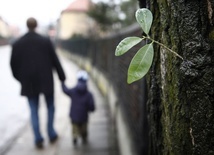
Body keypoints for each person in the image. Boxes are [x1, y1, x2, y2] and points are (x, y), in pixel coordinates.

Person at [10, 17, 66, 148]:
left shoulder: (18, 43)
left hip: (28, 82)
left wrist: (20, 78)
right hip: (46, 80)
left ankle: (38, 138)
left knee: (33, 110)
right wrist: (62, 77)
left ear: (27, 25)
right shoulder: (45, 41)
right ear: (36, 26)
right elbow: (55, 60)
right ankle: (51, 133)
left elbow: (13, 65)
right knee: (50, 107)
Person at [61, 70, 95, 145]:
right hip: (84, 117)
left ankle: (75, 136)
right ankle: (84, 137)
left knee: (74, 128)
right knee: (84, 130)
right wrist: (91, 109)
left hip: (74, 116)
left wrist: (62, 82)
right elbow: (92, 107)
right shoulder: (89, 94)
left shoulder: (73, 91)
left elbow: (65, 90)